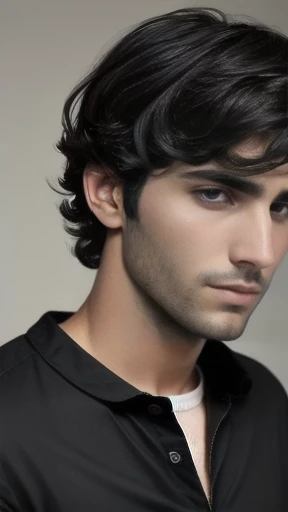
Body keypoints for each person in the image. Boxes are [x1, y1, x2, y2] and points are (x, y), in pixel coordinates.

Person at [1, 6, 288, 512]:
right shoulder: (9, 425)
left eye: (282, 206)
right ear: (110, 193)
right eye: (216, 194)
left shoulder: (266, 401)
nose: (261, 253)